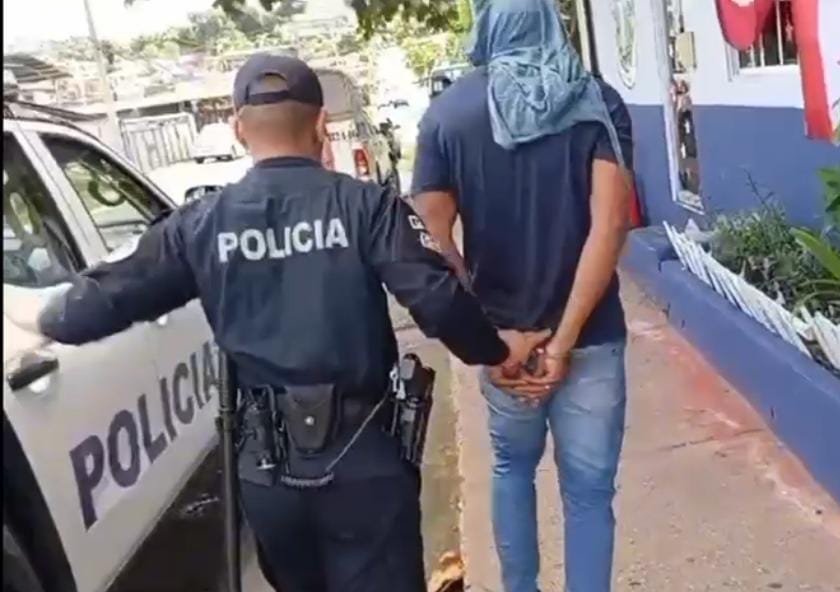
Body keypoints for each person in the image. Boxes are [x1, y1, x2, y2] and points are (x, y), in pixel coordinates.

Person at [4, 53, 549, 592]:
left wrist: (35, 309)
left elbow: (84, 310)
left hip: (266, 473)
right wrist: (499, 353)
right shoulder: (368, 207)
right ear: (321, 125)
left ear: (238, 129)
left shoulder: (199, 224)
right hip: (362, 458)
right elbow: (440, 302)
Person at [411, 1, 635, 590]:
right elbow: (611, 224)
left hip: (502, 345)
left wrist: (488, 336)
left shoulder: (448, 114)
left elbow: (430, 237)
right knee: (589, 493)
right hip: (592, 338)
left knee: (512, 469)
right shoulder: (595, 101)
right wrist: (562, 342)